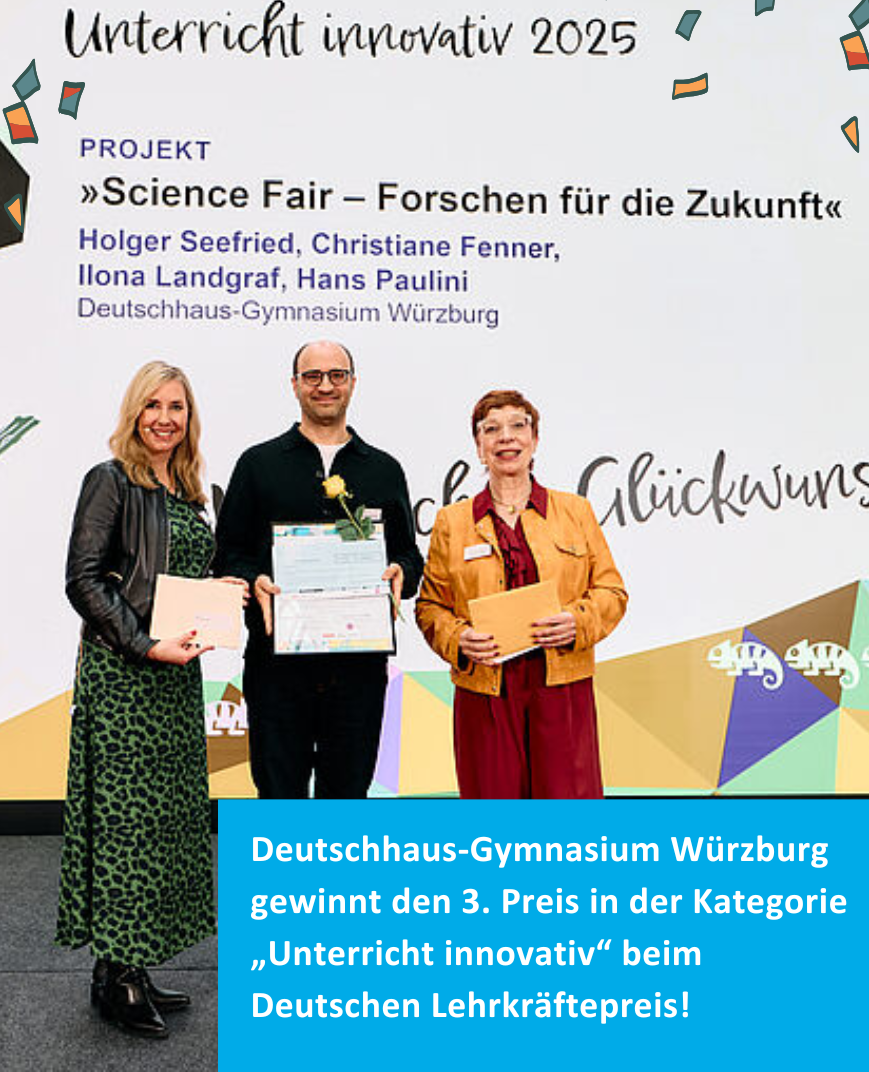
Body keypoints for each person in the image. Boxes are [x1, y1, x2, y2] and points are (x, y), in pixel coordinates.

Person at [55, 361, 246, 1036]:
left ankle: (124, 967)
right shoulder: (110, 480)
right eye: (153, 405)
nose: (165, 418)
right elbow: (82, 580)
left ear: (190, 418)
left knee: (163, 822)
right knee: (124, 826)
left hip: (176, 677)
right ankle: (119, 979)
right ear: (134, 413)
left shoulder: (196, 491)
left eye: (177, 407)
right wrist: (143, 644)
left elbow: (187, 578)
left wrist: (226, 594)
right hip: (125, 676)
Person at [214, 340, 424, 799]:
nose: (325, 386)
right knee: (278, 799)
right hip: (276, 668)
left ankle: (337, 855)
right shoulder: (257, 464)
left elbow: (410, 555)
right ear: (294, 385)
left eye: (336, 375)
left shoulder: (384, 469)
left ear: (353, 383)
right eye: (312, 376)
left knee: (346, 800)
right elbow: (227, 554)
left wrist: (400, 572)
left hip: (359, 669)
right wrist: (253, 580)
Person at [415, 389, 627, 799]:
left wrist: (578, 621)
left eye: (518, 426)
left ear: (535, 440)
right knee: (493, 806)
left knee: (567, 804)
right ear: (479, 446)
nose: (506, 437)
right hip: (485, 689)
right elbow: (430, 606)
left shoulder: (575, 511)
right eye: (491, 429)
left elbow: (611, 591)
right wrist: (458, 639)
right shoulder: (452, 522)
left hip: (562, 684)